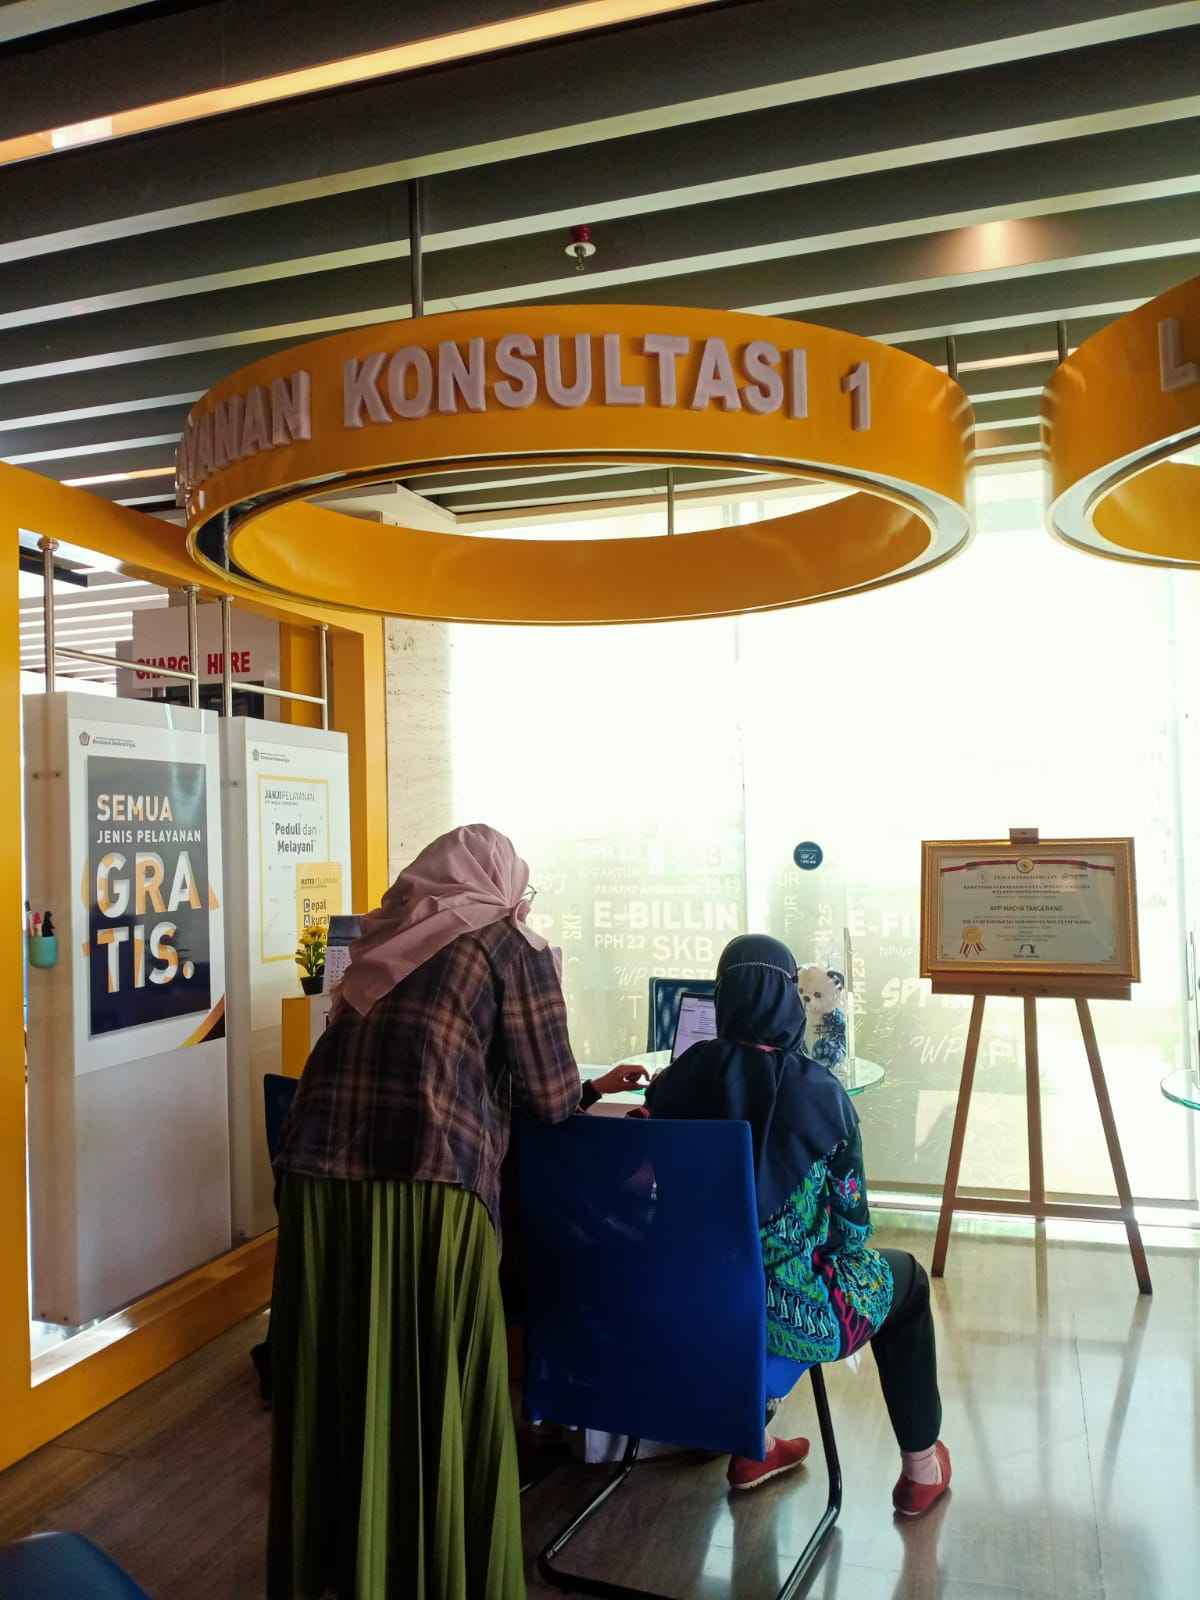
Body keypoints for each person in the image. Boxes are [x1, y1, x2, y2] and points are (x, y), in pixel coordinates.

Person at [266, 824, 642, 1600]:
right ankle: (432, 1570)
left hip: (314, 1178)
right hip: (426, 1177)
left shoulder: (383, 935)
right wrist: (588, 1089)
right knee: (432, 1372)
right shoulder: (511, 944)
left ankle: (336, 1568)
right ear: (504, 885)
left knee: (338, 1371)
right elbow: (548, 1097)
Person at [646, 933, 950, 1517]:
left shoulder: (675, 1081)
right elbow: (853, 1230)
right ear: (787, 998)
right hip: (785, 1312)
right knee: (907, 1282)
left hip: (682, 1300)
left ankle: (755, 1447)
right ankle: (922, 1469)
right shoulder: (820, 1092)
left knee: (743, 1266)